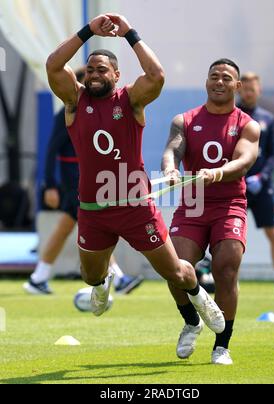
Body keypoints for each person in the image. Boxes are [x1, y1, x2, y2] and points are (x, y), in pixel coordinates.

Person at [45, 13, 225, 336]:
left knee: (176, 272)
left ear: (116, 73)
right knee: (89, 276)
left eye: (103, 70)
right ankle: (102, 285)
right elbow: (53, 66)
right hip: (93, 208)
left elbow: (156, 74)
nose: (95, 75)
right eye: (90, 70)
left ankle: (200, 298)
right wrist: (88, 31)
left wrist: (128, 32)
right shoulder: (74, 100)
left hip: (135, 206)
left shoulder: (130, 100)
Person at [162, 59, 261, 365]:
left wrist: (218, 173)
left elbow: (244, 161)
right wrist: (170, 169)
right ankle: (192, 320)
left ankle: (222, 346)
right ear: (206, 82)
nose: (219, 82)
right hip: (192, 206)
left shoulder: (247, 124)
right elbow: (173, 149)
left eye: (226, 78)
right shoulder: (185, 119)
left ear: (237, 86)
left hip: (228, 204)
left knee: (227, 268)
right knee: (175, 268)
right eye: (214, 76)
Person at [23, 68, 144, 295]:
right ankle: (117, 278)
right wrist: (49, 184)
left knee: (68, 226)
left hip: (86, 179)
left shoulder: (97, 110)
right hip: (74, 180)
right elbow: (51, 148)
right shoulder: (70, 108)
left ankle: (38, 277)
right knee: (95, 222)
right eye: (86, 81)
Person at [238, 72, 274, 296]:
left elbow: (273, 153)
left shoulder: (267, 118)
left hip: (261, 186)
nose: (248, 93)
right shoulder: (233, 115)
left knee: (273, 232)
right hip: (236, 185)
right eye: (245, 88)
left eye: (252, 89)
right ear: (239, 89)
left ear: (259, 91)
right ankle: (229, 279)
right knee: (232, 235)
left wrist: (261, 177)